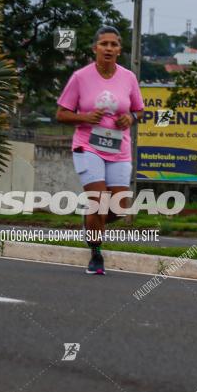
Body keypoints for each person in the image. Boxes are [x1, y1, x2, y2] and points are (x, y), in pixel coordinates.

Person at [56, 25, 144, 275]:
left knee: (118, 207)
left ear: (119, 49)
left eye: (113, 44)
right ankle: (96, 254)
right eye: (103, 44)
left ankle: (90, 222)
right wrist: (84, 116)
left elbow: (138, 109)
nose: (108, 48)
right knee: (98, 202)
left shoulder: (128, 77)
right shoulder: (80, 77)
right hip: (88, 146)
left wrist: (131, 118)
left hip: (119, 148)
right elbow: (61, 114)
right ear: (95, 48)